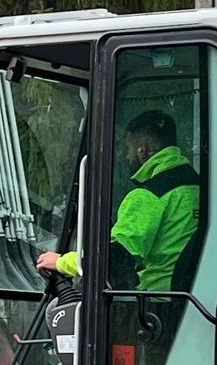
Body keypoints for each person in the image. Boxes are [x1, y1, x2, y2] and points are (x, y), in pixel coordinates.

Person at [35, 110, 201, 291]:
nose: (127, 156)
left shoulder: (148, 196)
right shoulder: (199, 189)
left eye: (128, 148)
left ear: (142, 149)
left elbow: (114, 262)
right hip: (190, 297)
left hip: (156, 307)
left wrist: (61, 262)